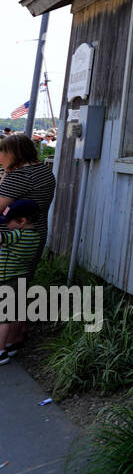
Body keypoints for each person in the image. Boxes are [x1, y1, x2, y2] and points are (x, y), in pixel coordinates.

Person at [0, 135, 55, 353]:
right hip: (35, 235)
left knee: (8, 289)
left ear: (13, 154)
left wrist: (5, 175)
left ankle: (8, 341)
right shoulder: (43, 171)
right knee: (21, 285)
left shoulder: (19, 176)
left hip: (11, 239)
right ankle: (17, 336)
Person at [0, 200, 42, 362]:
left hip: (6, 281)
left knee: (2, 319)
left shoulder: (16, 235)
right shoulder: (35, 236)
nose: (6, 226)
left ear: (21, 221)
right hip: (21, 278)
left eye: (7, 222)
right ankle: (11, 344)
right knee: (16, 314)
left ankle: (1, 351)